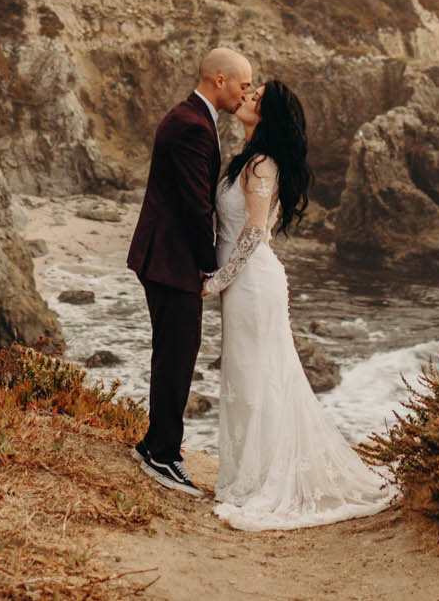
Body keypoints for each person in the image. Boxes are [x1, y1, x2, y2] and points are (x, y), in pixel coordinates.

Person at [204, 80, 399, 530]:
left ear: (267, 114)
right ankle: (250, 475)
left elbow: (253, 233)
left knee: (260, 376)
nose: (247, 97)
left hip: (253, 283)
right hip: (245, 282)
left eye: (256, 97)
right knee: (250, 375)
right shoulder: (247, 160)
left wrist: (217, 282)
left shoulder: (262, 165)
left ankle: (262, 482)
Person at [125, 46, 252, 496]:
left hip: (163, 255)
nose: (246, 92)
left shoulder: (193, 119)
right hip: (170, 259)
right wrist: (208, 267)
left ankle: (153, 445)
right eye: (243, 83)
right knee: (178, 356)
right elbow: (195, 207)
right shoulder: (192, 127)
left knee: (172, 352)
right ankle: (164, 455)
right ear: (220, 80)